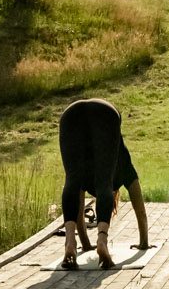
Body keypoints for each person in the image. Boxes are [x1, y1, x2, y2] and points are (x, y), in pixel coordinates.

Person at [57, 98, 150, 269]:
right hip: (106, 112)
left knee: (71, 180)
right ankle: (102, 241)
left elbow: (77, 203)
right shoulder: (123, 161)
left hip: (70, 114)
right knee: (104, 183)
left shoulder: (85, 167)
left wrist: (84, 244)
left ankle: (70, 242)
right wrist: (144, 242)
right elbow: (140, 207)